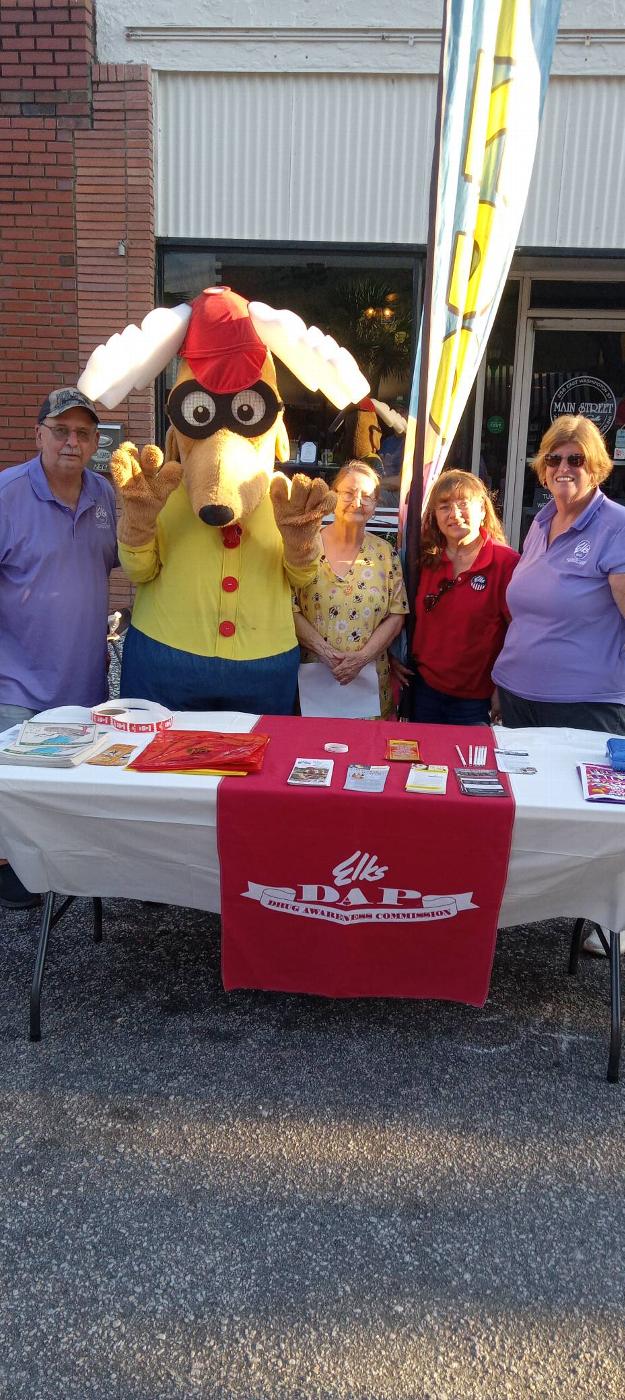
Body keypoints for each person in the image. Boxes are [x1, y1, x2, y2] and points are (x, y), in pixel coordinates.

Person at [492, 414, 625, 956]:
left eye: (576, 458)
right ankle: (530, 904)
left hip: (586, 704)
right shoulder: (540, 521)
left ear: (598, 466)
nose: (564, 467)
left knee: (595, 820)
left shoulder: (615, 525)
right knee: (528, 808)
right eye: (554, 457)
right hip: (519, 694)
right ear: (542, 467)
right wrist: (501, 681)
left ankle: (609, 920)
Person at [0, 388, 118, 909]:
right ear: (39, 434)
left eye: (83, 433)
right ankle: (10, 869)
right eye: (61, 430)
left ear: (94, 442)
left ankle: (59, 868)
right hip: (16, 681)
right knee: (15, 791)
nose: (72, 441)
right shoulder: (7, 494)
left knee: (68, 791)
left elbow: (123, 561)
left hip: (84, 681)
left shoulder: (104, 495)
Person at [293, 460, 408, 718]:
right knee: (313, 743)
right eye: (348, 493)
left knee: (368, 744)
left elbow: (397, 615)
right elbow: (290, 607)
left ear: (376, 503)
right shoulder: (307, 546)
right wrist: (325, 652)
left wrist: (361, 658)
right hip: (314, 683)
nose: (357, 502)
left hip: (368, 684)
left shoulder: (385, 553)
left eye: (367, 496)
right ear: (333, 495)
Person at [409, 470, 519, 724]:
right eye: (444, 506)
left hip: (476, 700)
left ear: (482, 509)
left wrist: (503, 687)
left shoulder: (506, 563)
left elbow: (520, 632)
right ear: (434, 516)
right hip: (424, 690)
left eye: (463, 504)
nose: (454, 514)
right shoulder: (423, 559)